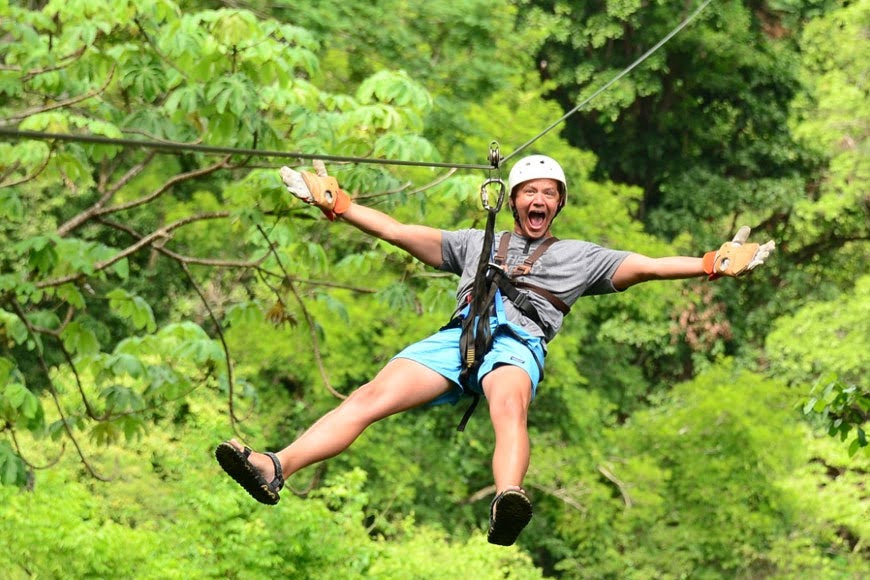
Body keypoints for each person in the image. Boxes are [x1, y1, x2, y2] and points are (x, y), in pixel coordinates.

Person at [215, 155, 775, 546]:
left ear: (558, 205)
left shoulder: (583, 257)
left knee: (509, 407)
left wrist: (707, 263)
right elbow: (395, 229)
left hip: (516, 343)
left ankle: (510, 497)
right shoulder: (473, 243)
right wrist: (337, 203)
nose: (538, 200)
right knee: (368, 397)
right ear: (512, 202)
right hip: (458, 340)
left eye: (548, 194)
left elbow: (649, 266)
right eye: (530, 192)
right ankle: (275, 466)